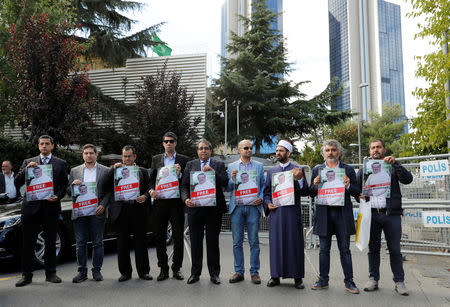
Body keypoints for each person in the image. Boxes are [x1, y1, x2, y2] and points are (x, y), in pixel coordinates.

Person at [358, 138, 413, 296]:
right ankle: (373, 279)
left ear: (384, 149)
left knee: (395, 249)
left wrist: (396, 164)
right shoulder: (364, 170)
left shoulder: (392, 167)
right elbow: (356, 189)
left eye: (379, 147)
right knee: (373, 249)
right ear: (369, 151)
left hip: (391, 215)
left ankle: (399, 282)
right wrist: (358, 196)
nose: (376, 150)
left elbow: (408, 180)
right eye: (373, 148)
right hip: (373, 215)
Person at [14, 135, 68, 287]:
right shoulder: (28, 162)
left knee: (50, 240)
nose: (44, 146)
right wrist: (26, 170)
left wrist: (58, 196)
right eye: (42, 144)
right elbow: (17, 182)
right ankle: (26, 275)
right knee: (28, 242)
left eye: (47, 144)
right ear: (38, 146)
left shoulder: (60, 163)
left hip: (50, 207)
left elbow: (64, 185)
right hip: (30, 208)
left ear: (52, 146)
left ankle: (51, 273)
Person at [310, 139, 360, 294]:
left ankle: (349, 282)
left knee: (345, 249)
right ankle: (323, 280)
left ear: (339, 152)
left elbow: (357, 191)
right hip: (324, 213)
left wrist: (349, 185)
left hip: (342, 213)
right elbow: (311, 193)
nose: (330, 152)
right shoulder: (317, 169)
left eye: (333, 150)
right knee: (324, 249)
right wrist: (314, 184)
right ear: (323, 153)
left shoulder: (348, 169)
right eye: (327, 150)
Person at [181, 139, 228, 285]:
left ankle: (214, 274)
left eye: (206, 148)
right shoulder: (190, 165)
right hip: (195, 209)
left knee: (212, 242)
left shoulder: (218, 165)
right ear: (197, 151)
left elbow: (225, 182)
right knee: (195, 242)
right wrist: (186, 199)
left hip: (214, 210)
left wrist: (213, 173)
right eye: (201, 148)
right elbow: (184, 186)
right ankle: (195, 273)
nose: (203, 151)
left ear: (210, 150)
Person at [263, 140, 309, 289]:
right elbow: (267, 193)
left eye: (281, 151)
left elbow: (305, 191)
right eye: (277, 150)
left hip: (291, 212)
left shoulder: (297, 169)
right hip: (276, 213)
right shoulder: (271, 171)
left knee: (294, 244)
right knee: (276, 244)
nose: (278, 153)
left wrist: (300, 178)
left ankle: (297, 277)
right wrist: (268, 203)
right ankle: (275, 276)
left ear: (288, 153)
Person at [68, 144, 112, 283]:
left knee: (97, 243)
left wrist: (103, 205)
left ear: (96, 154)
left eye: (91, 153)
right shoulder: (74, 171)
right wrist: (73, 186)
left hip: (96, 211)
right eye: (86, 153)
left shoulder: (105, 170)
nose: (89, 155)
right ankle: (82, 272)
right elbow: (69, 192)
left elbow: (110, 191)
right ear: (82, 155)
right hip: (80, 212)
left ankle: (96, 271)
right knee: (80, 243)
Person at [149, 132, 189, 282]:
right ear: (163, 143)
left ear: (176, 143)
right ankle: (163, 269)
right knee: (160, 237)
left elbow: (187, 182)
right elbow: (150, 179)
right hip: (160, 203)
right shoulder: (156, 159)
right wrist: (151, 190)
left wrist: (180, 174)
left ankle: (176, 268)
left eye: (171, 141)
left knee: (178, 237)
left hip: (176, 203)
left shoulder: (183, 160)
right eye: (166, 141)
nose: (169, 143)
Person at [109, 145, 152, 282]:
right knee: (122, 242)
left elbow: (149, 188)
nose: (127, 159)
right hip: (121, 210)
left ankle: (143, 271)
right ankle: (125, 272)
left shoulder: (143, 171)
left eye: (129, 156)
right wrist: (112, 169)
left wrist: (145, 196)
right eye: (124, 156)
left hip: (138, 209)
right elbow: (104, 184)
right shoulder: (116, 171)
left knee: (141, 241)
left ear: (135, 157)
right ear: (122, 157)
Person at [227, 140, 265, 285]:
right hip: (237, 207)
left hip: (253, 208)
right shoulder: (232, 166)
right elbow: (229, 188)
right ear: (239, 150)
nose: (249, 150)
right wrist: (231, 179)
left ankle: (254, 272)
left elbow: (263, 185)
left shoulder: (259, 166)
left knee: (254, 241)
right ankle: (239, 271)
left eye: (250, 148)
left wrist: (260, 198)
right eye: (246, 148)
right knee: (237, 242)